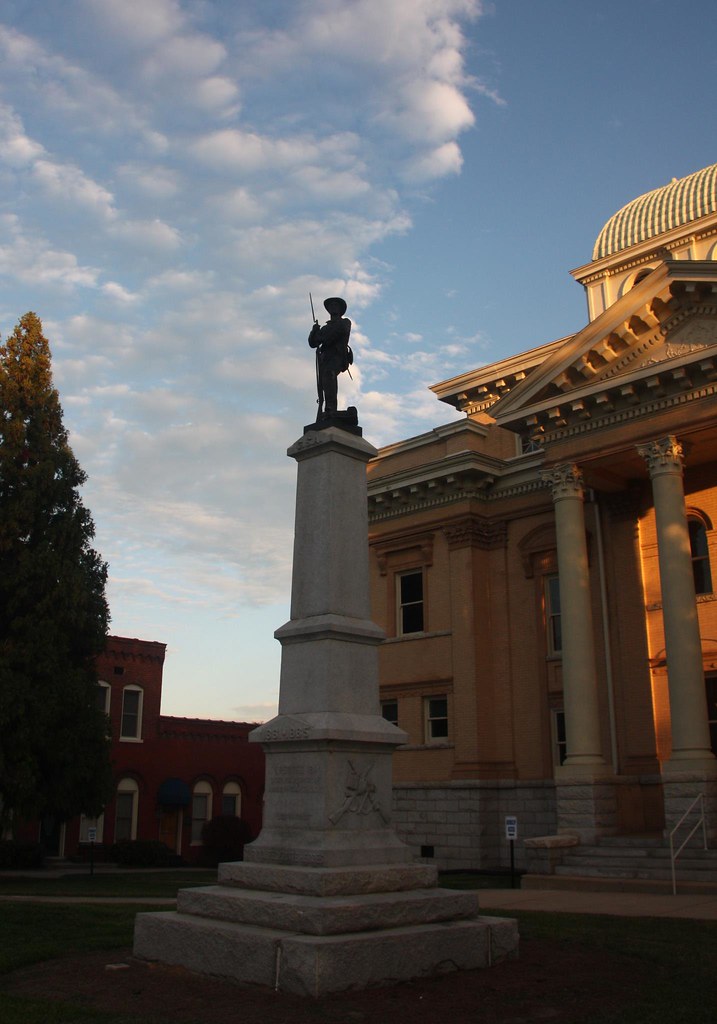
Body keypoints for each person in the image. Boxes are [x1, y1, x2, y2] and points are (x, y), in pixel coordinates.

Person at [308, 297, 352, 417]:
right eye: (331, 306)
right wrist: (314, 331)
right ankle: (327, 408)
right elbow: (313, 343)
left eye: (336, 305)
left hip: (338, 356)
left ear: (340, 309)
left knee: (329, 374)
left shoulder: (345, 322)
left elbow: (334, 335)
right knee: (324, 383)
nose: (333, 307)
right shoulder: (325, 328)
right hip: (325, 358)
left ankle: (330, 407)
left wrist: (320, 336)